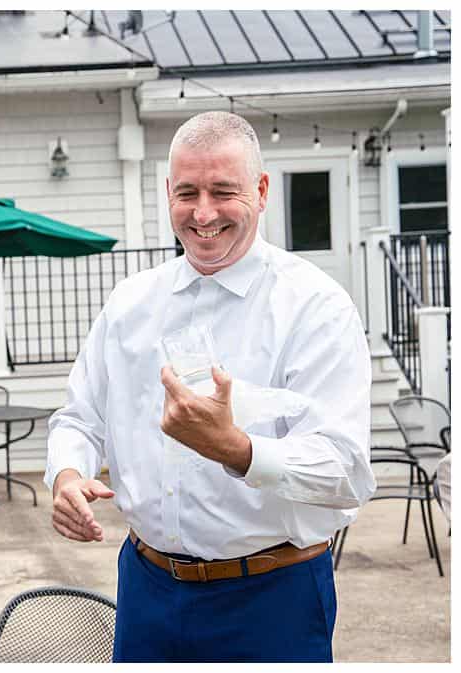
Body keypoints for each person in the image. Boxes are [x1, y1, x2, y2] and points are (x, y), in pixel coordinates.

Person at [46, 112, 376, 663]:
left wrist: (238, 450)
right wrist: (67, 474)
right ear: (167, 193)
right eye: (187, 193)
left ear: (262, 190)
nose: (203, 213)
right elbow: (80, 417)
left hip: (272, 597)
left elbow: (346, 472)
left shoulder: (315, 308)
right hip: (146, 588)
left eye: (224, 191)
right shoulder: (130, 304)